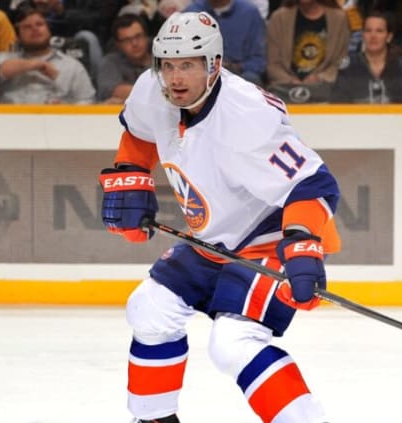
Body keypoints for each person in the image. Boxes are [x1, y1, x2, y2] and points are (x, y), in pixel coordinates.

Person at [98, 11, 341, 423]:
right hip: (211, 240)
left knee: (233, 342)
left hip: (271, 234)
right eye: (168, 65)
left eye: (188, 65)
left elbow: (313, 185)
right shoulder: (151, 91)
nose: (175, 78)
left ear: (214, 65)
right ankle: (154, 419)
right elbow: (138, 135)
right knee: (149, 310)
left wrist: (302, 245)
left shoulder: (248, 115)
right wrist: (131, 174)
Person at [0, 4, 95, 104]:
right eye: (27, 27)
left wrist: (65, 110)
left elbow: (88, 102)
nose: (35, 29)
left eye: (39, 24)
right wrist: (34, 64)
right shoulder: (5, 59)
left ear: (49, 30)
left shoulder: (73, 67)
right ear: (18, 36)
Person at [266, 0, 350, 103]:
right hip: (285, 88)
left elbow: (341, 61)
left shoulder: (338, 18)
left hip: (325, 88)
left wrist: (319, 78)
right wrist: (291, 81)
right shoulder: (279, 18)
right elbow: (273, 64)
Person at [330, 11, 402, 103]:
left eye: (379, 31)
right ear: (363, 35)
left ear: (389, 37)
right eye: (368, 31)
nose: (373, 36)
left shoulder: (401, 67)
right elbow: (338, 105)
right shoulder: (349, 67)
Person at [184, 0, 266, 85]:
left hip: (238, 73)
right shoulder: (191, 12)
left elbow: (258, 60)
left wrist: (234, 67)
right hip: (201, 71)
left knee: (251, 78)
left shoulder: (250, 12)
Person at [96, 13, 151, 103]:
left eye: (138, 36)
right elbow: (111, 91)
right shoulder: (110, 62)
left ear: (146, 37)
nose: (134, 43)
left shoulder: (162, 62)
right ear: (118, 45)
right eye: (127, 40)